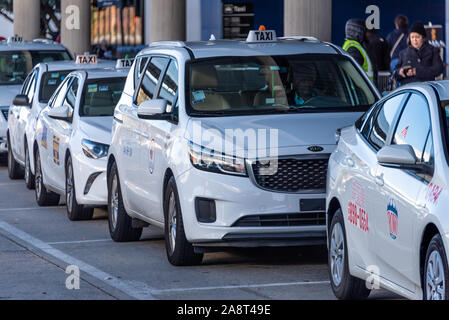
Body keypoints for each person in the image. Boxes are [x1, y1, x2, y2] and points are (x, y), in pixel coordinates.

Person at [342, 19, 375, 83]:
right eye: (365, 31)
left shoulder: (354, 45)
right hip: (361, 89)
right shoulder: (353, 48)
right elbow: (354, 74)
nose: (368, 34)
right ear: (358, 32)